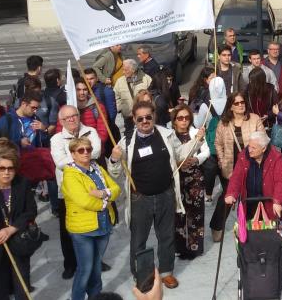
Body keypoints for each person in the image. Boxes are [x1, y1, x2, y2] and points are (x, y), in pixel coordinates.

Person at [108, 100, 201, 289]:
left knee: (166, 236)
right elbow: (115, 173)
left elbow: (180, 153)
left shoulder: (166, 134)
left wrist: (196, 140)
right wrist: (114, 159)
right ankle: (141, 275)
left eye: (148, 117)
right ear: (134, 119)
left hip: (166, 194)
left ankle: (166, 272)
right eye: (140, 118)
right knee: (138, 240)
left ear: (154, 117)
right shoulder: (126, 141)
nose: (144, 121)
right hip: (140, 198)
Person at [224, 130, 282, 286]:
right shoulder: (244, 156)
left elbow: (280, 181)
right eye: (249, 146)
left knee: (277, 241)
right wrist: (231, 194)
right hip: (250, 205)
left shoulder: (275, 156)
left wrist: (277, 201)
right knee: (250, 240)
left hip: (271, 206)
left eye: (254, 148)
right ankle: (251, 269)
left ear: (263, 148)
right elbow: (236, 177)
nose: (250, 149)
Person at [62, 137, 121, 300]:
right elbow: (84, 201)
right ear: (73, 154)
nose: (86, 153)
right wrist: (106, 201)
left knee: (96, 268)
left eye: (88, 149)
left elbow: (116, 189)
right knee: (85, 269)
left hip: (103, 226)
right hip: (83, 230)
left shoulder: (98, 168)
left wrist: (102, 194)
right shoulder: (70, 175)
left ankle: (95, 297)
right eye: (81, 150)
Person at [0, 139, 37, 299]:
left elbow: (31, 211)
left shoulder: (22, 183)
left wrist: (12, 228)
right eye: (2, 168)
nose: (6, 172)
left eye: (10, 168)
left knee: (22, 289)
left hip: (18, 242)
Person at [51, 105, 103, 280]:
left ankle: (96, 261)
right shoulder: (56, 139)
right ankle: (70, 264)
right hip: (68, 193)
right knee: (68, 232)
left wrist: (75, 157)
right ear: (61, 122)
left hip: (92, 190)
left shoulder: (90, 131)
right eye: (67, 118)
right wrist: (84, 156)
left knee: (94, 228)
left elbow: (96, 151)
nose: (72, 119)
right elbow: (60, 162)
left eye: (74, 115)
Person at [211, 92, 263, 242]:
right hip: (230, 167)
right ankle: (217, 226)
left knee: (251, 197)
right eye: (237, 103)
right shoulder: (224, 123)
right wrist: (221, 161)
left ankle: (250, 226)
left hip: (252, 165)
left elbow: (262, 139)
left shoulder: (254, 119)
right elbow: (218, 144)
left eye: (242, 102)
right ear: (231, 107)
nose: (241, 105)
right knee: (227, 198)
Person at [169, 105, 209, 260]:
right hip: (177, 178)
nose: (184, 121)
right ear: (174, 121)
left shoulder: (195, 132)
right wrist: (179, 161)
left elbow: (206, 150)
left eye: (187, 118)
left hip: (194, 177)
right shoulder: (169, 135)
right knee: (178, 213)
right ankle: (179, 247)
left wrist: (196, 159)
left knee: (196, 213)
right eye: (180, 118)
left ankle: (195, 247)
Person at [195, 77, 226, 205]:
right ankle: (229, 192)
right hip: (227, 143)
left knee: (209, 171)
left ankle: (208, 196)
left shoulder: (205, 106)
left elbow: (198, 125)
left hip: (211, 144)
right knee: (227, 168)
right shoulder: (230, 102)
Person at [114, 59, 153, 135]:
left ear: (133, 70)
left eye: (125, 70)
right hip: (128, 117)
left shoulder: (146, 79)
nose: (123, 72)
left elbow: (152, 96)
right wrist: (121, 108)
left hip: (144, 117)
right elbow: (116, 96)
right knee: (129, 136)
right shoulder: (120, 81)